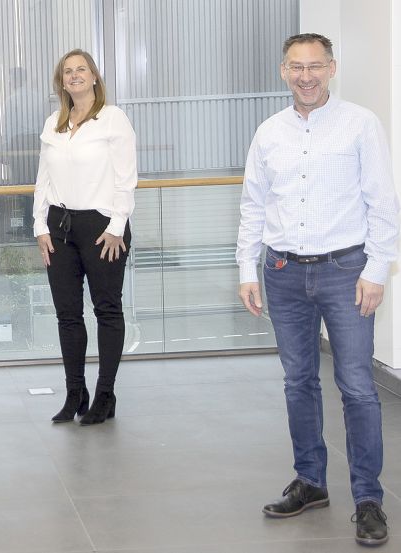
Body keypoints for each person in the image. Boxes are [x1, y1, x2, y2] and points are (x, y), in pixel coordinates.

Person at [236, 33, 399, 547]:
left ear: (331, 68)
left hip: (346, 271)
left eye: (315, 66)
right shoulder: (268, 133)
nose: (305, 76)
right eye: (295, 67)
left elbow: (382, 203)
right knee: (298, 381)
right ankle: (310, 482)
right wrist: (247, 268)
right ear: (283, 71)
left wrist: (376, 270)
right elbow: (253, 206)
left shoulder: (360, 124)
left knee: (356, 386)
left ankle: (368, 499)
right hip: (283, 272)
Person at [32, 48, 137, 426]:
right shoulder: (54, 123)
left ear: (94, 76)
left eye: (81, 70)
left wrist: (117, 225)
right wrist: (39, 226)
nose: (74, 76)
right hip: (59, 226)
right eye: (67, 72)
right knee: (67, 314)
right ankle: (75, 393)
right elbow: (43, 178)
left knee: (107, 309)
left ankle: (105, 394)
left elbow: (126, 179)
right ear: (60, 81)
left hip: (102, 227)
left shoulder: (113, 119)